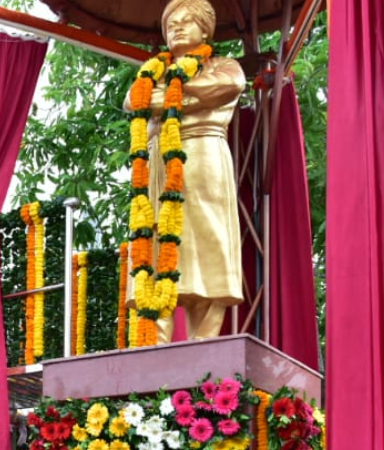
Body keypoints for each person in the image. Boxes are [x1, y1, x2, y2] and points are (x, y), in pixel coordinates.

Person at [143, 0, 246, 340]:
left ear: (206, 30)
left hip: (204, 158)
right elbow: (136, 101)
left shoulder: (223, 65)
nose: (177, 28)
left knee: (208, 245)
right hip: (159, 164)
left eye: (187, 21)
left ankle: (205, 350)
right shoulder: (152, 72)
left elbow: (228, 86)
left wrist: (172, 93)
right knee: (159, 252)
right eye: (172, 24)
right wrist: (186, 97)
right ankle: (154, 355)